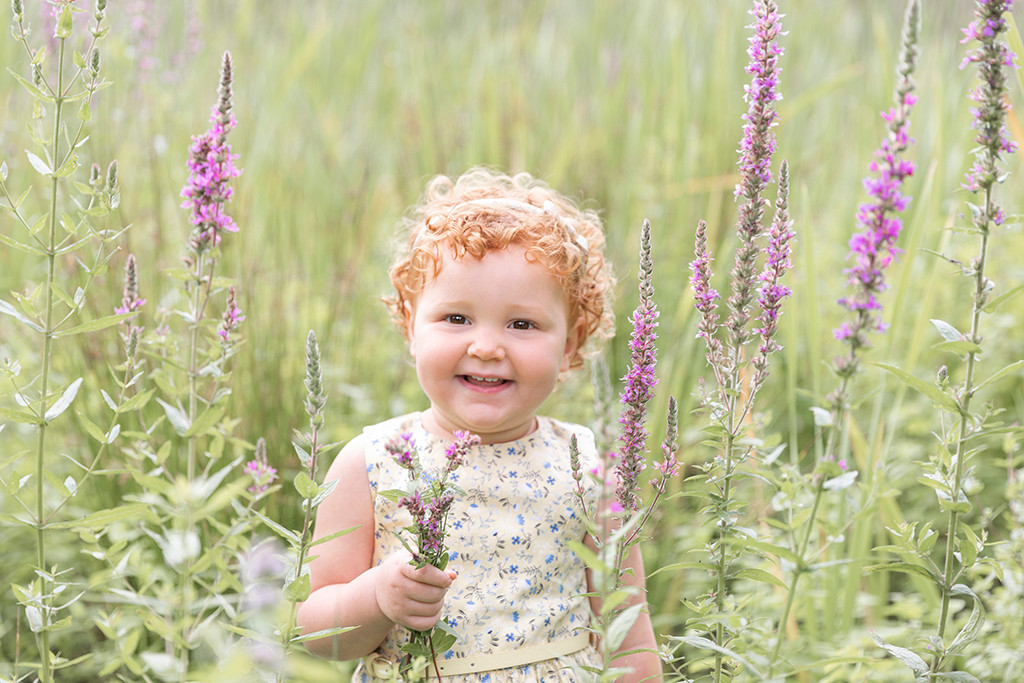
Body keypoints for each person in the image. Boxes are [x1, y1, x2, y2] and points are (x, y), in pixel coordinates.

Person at [298, 168, 662, 683]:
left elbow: (629, 638)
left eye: (522, 324)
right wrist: (376, 597)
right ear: (411, 324)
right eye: (456, 318)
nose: (487, 347)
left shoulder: (588, 470)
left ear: (571, 343)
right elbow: (316, 632)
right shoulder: (371, 463)